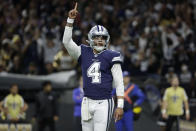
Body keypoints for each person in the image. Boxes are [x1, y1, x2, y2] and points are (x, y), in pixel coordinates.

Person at [63, 3, 124, 131]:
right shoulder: (83, 52)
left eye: (103, 38)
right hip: (86, 101)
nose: (100, 40)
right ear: (90, 39)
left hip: (104, 102)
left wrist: (120, 105)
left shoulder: (111, 55)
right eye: (97, 37)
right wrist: (70, 21)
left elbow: (119, 82)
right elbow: (66, 42)